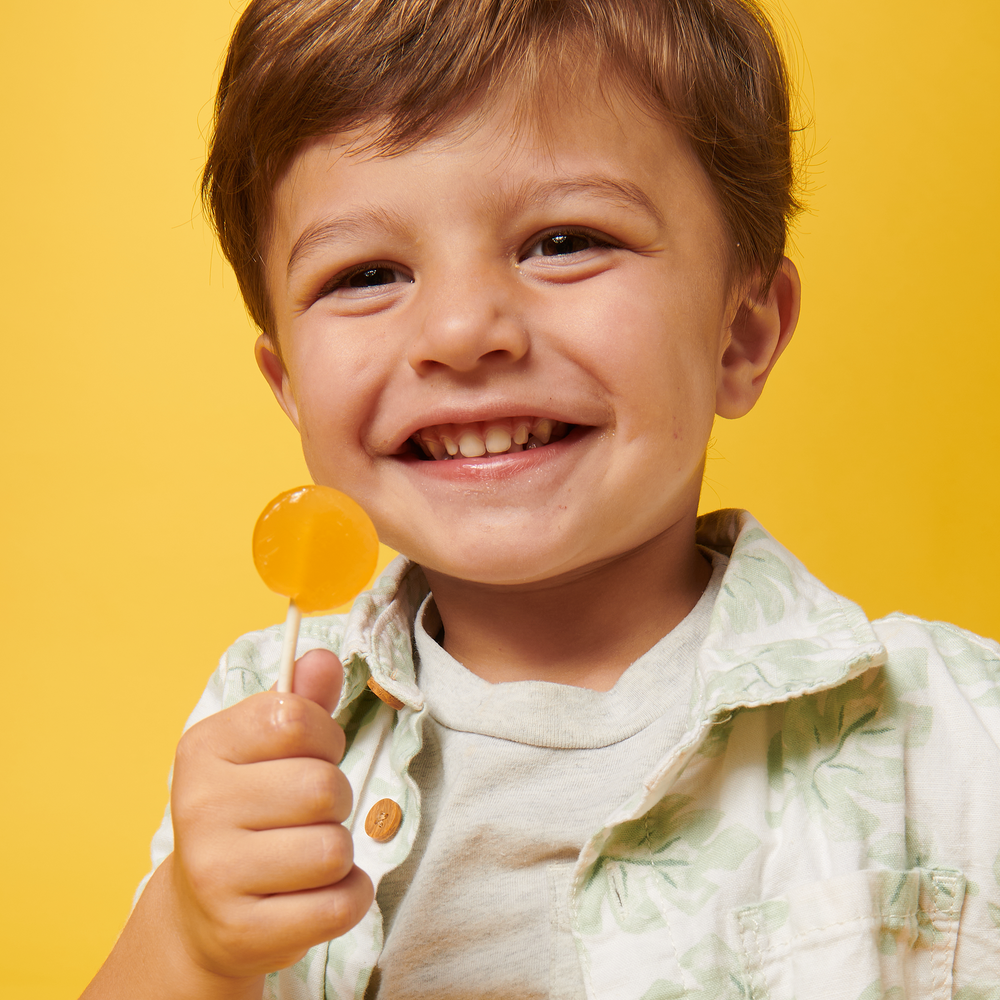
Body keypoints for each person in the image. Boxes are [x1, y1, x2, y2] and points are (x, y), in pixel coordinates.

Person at [82, 0, 1000, 997]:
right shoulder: (266, 724)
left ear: (738, 335)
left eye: (563, 241)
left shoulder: (952, 733)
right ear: (292, 387)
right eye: (368, 273)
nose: (464, 327)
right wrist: (189, 938)